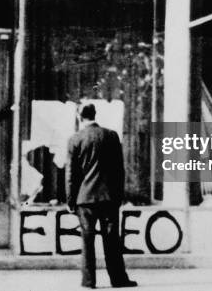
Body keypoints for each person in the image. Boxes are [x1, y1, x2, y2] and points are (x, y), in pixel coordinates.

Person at [66, 103, 138, 289]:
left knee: (87, 242)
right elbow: (119, 170)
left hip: (85, 199)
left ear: (79, 117)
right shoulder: (111, 135)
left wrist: (70, 200)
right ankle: (118, 279)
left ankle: (89, 281)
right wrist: (119, 196)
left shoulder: (75, 139)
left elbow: (71, 175)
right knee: (112, 240)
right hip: (108, 198)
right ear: (95, 114)